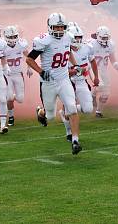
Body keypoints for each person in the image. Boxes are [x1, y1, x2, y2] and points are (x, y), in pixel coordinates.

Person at [26, 13, 82, 155]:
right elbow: (29, 60)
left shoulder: (68, 37)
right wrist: (40, 71)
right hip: (48, 82)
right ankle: (40, 112)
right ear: (50, 26)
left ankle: (75, 140)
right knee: (50, 116)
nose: (59, 29)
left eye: (61, 27)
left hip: (64, 80)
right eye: (56, 26)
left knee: (72, 108)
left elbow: (68, 52)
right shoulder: (44, 40)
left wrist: (75, 65)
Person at [64, 24, 99, 139]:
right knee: (71, 109)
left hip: (82, 81)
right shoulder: (63, 49)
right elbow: (60, 72)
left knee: (88, 109)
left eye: (80, 37)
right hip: (68, 82)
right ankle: (69, 132)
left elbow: (93, 61)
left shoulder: (87, 47)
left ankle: (66, 111)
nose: (78, 40)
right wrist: (75, 71)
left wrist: (96, 77)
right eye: (75, 37)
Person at [90, 26, 118, 118]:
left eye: (106, 38)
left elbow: (112, 59)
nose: (105, 40)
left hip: (104, 70)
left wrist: (116, 65)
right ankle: (92, 95)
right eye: (103, 38)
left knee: (106, 94)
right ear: (98, 36)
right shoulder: (91, 44)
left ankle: (98, 111)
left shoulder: (111, 44)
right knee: (100, 85)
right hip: (93, 69)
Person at [3, 25, 32, 126]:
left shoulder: (21, 44)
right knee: (9, 97)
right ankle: (11, 116)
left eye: (14, 36)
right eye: (10, 37)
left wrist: (29, 67)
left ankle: (9, 96)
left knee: (20, 99)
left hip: (18, 74)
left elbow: (28, 56)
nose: (13, 39)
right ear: (5, 36)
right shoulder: (2, 46)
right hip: (7, 75)